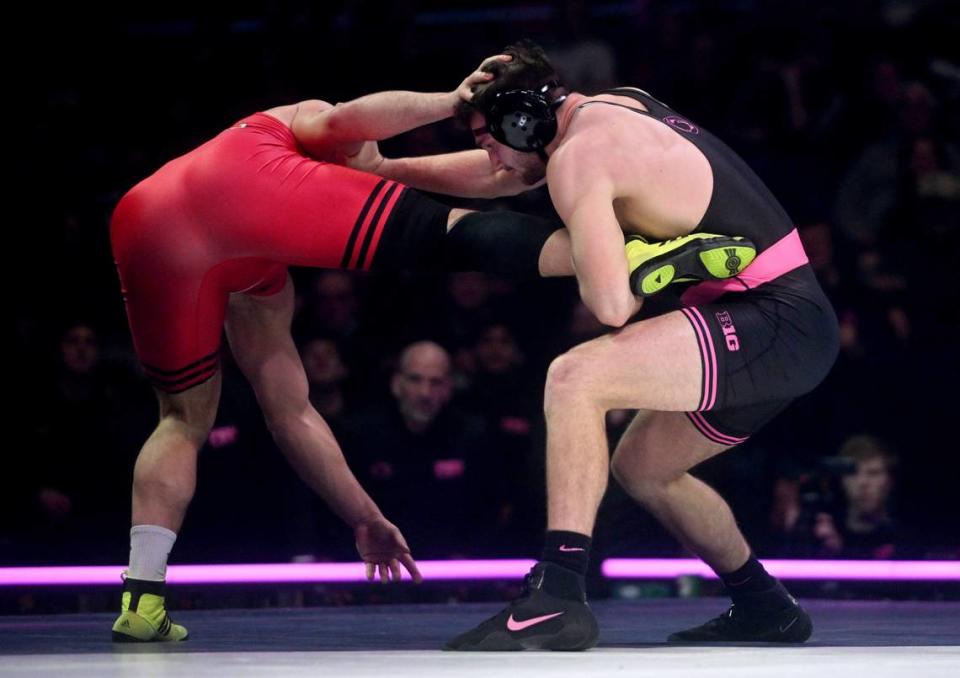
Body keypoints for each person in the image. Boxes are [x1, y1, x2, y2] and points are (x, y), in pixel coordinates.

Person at [108, 64, 752, 642]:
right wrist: (448, 99)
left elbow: (291, 415)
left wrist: (364, 517)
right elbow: (342, 122)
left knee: (181, 421)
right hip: (248, 187)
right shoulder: (274, 133)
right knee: (446, 233)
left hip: (141, 224)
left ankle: (142, 598)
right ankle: (639, 256)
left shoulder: (257, 280)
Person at [355, 41, 839, 649]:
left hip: (771, 318)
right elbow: (505, 172)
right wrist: (387, 172)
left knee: (575, 378)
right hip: (780, 317)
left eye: (486, 135)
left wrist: (632, 261)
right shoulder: (609, 107)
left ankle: (556, 595)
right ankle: (768, 606)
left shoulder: (577, 160)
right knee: (644, 468)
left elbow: (611, 307)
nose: (488, 151)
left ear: (522, 122)